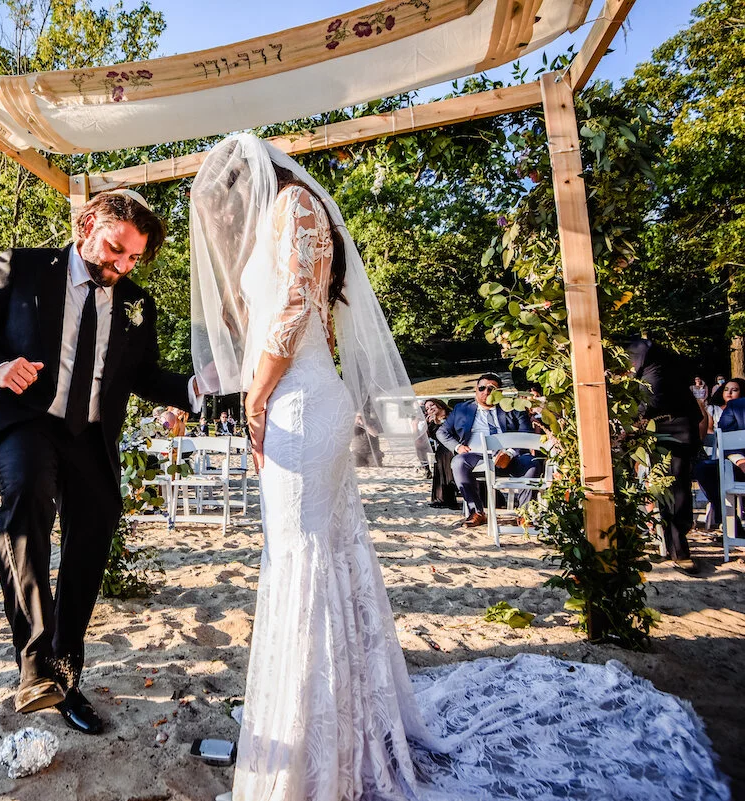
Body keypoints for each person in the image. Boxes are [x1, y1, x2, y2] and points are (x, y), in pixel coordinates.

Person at [190, 134, 728, 801]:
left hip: (297, 402)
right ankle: (324, 727)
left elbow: (296, 310)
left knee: (305, 560)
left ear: (250, 177)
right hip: (292, 402)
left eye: (229, 194)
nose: (227, 212)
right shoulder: (277, 217)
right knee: (313, 560)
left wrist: (254, 396)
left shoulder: (294, 205)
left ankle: (318, 745)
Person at [0, 189, 205, 735]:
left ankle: (63, 673)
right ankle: (35, 665)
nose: (122, 265)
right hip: (23, 419)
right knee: (29, 493)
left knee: (97, 525)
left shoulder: (137, 302)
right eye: (115, 250)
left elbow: (145, 377)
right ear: (88, 224)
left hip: (89, 435)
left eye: (134, 258)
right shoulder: (24, 266)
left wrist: (197, 388)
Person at [629, 338, 704, 573]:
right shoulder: (626, 353)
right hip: (643, 423)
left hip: (673, 424)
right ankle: (631, 540)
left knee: (675, 483)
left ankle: (679, 548)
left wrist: (628, 424)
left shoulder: (647, 353)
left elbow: (652, 397)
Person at [437, 373, 540, 528]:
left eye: (491, 389)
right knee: (458, 462)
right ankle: (477, 512)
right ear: (476, 390)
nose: (486, 392)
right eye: (482, 388)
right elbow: (441, 432)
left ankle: (525, 514)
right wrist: (458, 447)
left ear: (499, 392)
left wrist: (510, 453)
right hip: (476, 455)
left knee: (531, 463)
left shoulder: (512, 408)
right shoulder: (461, 409)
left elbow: (526, 433)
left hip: (510, 456)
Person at [693, 378, 745, 530]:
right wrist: (741, 461)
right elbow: (725, 439)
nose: (729, 393)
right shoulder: (735, 407)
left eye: (734, 389)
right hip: (740, 465)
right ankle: (729, 522)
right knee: (704, 469)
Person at [422, 398, 459, 509]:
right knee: (441, 455)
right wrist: (426, 425)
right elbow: (424, 438)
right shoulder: (431, 422)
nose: (430, 409)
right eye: (427, 408)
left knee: (445, 454)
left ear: (440, 404)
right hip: (442, 451)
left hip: (456, 446)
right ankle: (443, 498)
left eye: (432, 405)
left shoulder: (452, 416)